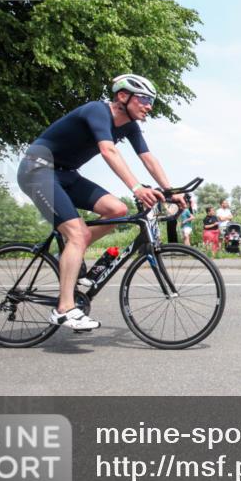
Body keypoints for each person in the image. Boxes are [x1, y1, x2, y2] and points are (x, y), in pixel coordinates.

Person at [17, 73, 182, 331]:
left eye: (151, 101)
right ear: (123, 96)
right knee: (78, 234)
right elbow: (108, 150)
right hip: (37, 171)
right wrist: (137, 188)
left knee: (117, 209)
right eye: (144, 99)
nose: (149, 106)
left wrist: (171, 191)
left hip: (66, 174)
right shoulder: (97, 111)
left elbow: (148, 158)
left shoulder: (129, 126)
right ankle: (64, 309)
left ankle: (69, 254)